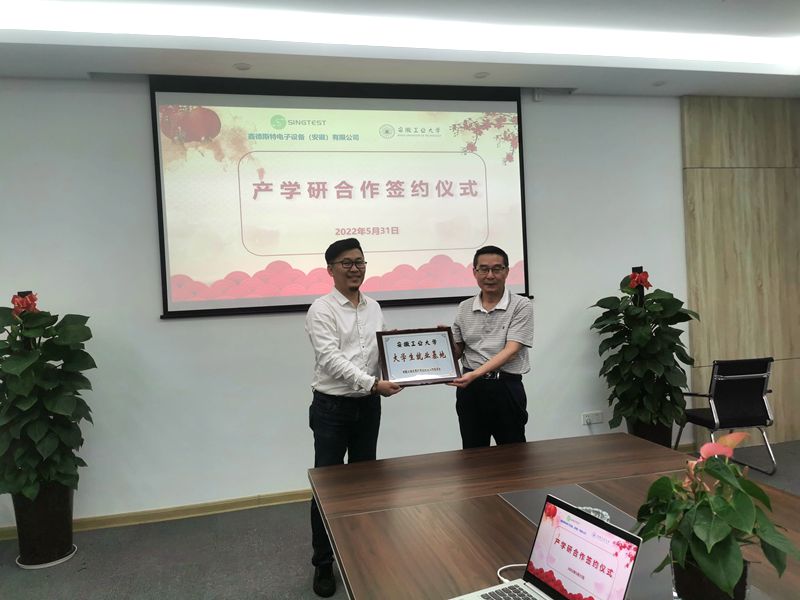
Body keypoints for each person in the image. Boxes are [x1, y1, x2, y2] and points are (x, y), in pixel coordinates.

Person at [304, 238, 402, 597]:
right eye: (346, 263)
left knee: (364, 483)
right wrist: (373, 383)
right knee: (328, 486)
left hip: (368, 406)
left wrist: (402, 358)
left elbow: (380, 350)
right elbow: (331, 359)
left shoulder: (374, 307)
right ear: (330, 269)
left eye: (359, 262)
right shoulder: (321, 310)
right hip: (332, 408)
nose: (355, 268)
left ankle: (360, 553)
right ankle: (323, 562)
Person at [450, 245, 534, 449]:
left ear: (506, 271)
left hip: (506, 386)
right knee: (473, 452)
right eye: (484, 269)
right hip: (470, 390)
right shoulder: (464, 307)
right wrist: (442, 343)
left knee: (513, 453)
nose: (490, 275)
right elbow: (458, 351)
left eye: (496, 269)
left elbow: (511, 350)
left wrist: (475, 374)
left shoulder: (521, 305)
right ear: (474, 272)